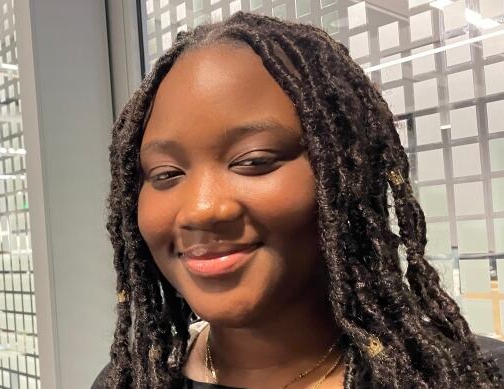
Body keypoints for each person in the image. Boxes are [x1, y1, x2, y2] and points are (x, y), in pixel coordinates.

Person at [92, 11, 503, 389]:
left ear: (346, 178)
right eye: (166, 174)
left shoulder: (461, 376)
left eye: (253, 161)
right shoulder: (132, 381)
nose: (201, 208)